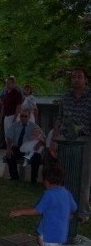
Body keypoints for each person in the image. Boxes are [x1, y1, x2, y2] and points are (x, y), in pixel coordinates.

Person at [9, 164, 77, 246]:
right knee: (39, 240)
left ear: (48, 181)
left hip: (52, 232)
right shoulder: (66, 193)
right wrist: (70, 214)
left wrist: (20, 212)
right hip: (60, 230)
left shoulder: (49, 194)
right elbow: (74, 208)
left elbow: (37, 210)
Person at [52, 67, 90, 223]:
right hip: (66, 141)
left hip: (86, 140)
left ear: (86, 79)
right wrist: (54, 141)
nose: (76, 79)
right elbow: (59, 119)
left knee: (84, 178)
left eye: (80, 77)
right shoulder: (66, 98)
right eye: (74, 77)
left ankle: (82, 213)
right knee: (65, 176)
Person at [5, 110, 44, 183]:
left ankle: (33, 179)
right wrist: (8, 149)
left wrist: (38, 144)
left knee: (37, 157)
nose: (23, 118)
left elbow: (43, 138)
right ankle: (14, 177)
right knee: (9, 155)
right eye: (21, 116)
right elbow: (9, 138)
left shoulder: (34, 127)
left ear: (29, 117)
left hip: (30, 149)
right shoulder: (14, 125)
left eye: (25, 116)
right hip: (18, 147)